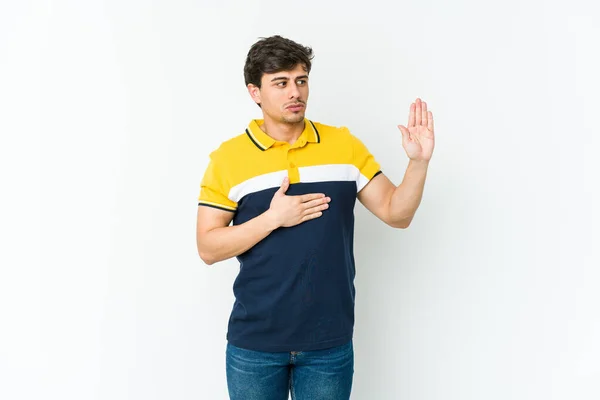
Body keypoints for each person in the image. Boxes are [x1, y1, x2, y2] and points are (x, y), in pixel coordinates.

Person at [196, 35, 435, 400]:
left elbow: (396, 213)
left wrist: (418, 163)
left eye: (301, 80)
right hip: (255, 344)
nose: (295, 92)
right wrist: (273, 218)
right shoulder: (228, 160)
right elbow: (208, 248)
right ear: (254, 92)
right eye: (281, 83)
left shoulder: (344, 146)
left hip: (328, 342)